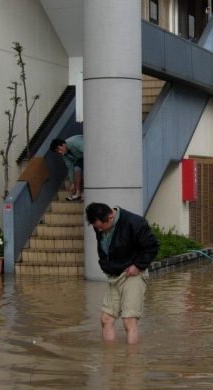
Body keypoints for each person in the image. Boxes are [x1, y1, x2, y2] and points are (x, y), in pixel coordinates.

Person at [85, 202, 159, 345]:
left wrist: (138, 266)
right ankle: (110, 358)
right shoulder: (99, 226)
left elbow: (153, 247)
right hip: (114, 276)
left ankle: (131, 363)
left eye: (101, 227)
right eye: (96, 228)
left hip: (132, 275)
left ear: (110, 216)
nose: (99, 231)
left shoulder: (135, 223)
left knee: (129, 321)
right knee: (106, 318)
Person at [51, 134, 84, 200]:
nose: (60, 152)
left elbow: (88, 151)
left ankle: (84, 192)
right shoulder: (64, 155)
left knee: (82, 170)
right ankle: (78, 193)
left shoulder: (74, 142)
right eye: (58, 152)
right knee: (76, 169)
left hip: (90, 154)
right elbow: (70, 167)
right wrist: (73, 183)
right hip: (81, 158)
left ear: (63, 144)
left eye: (60, 149)